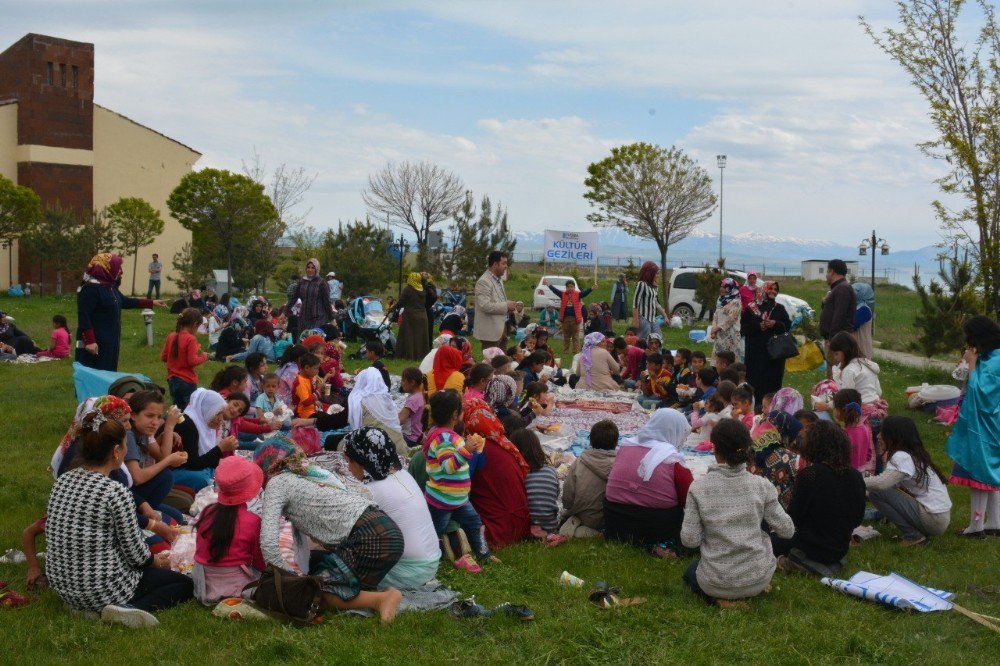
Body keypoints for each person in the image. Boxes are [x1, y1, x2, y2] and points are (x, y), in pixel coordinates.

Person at [45, 413, 193, 627]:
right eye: (125, 446)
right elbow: (135, 554)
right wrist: (156, 562)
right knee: (184, 585)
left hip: (63, 585)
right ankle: (127, 610)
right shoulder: (114, 491)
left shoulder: (64, 480)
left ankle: (83, 608)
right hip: (100, 587)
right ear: (116, 451)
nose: (126, 451)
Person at [255, 436, 404, 622]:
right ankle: (364, 593)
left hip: (370, 537)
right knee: (316, 565)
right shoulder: (312, 474)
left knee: (314, 593)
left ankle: (381, 599)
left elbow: (268, 542)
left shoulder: (277, 483)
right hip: (387, 531)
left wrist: (287, 581)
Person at [680, 419, 794, 607]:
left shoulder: (698, 488)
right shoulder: (761, 485)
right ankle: (749, 589)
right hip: (759, 577)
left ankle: (719, 600)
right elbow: (787, 530)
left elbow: (689, 541)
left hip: (715, 581)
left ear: (715, 448)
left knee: (691, 571)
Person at [344, 428, 441, 589]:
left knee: (338, 564)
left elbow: (346, 532)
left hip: (410, 573)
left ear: (362, 461)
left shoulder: (371, 491)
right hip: (431, 561)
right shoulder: (403, 474)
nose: (348, 468)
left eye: (349, 461)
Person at [771, 421, 865, 572]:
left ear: (814, 445)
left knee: (766, 538)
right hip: (839, 548)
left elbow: (794, 518)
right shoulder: (855, 475)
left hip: (810, 547)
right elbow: (857, 519)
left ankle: (795, 563)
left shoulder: (811, 474)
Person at [604, 409, 694, 557]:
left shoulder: (626, 446)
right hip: (654, 525)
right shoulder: (672, 458)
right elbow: (690, 499)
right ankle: (665, 548)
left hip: (615, 520)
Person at [422, 390, 493, 573]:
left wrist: (469, 448)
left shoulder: (446, 435)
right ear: (455, 414)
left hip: (457, 499)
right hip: (443, 499)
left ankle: (484, 555)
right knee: (434, 532)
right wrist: (466, 450)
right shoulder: (443, 438)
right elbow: (448, 466)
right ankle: (430, 562)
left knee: (475, 524)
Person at [946, 316, 1000, 538]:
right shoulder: (991, 356)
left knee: (980, 472)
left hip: (985, 426)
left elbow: (982, 393)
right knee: (992, 473)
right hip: (987, 424)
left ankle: (976, 527)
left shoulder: (994, 360)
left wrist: (972, 363)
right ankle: (995, 523)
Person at [869, 416, 953, 546]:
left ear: (894, 436)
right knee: (880, 490)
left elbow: (881, 484)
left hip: (934, 519)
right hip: (938, 518)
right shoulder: (911, 455)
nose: (879, 436)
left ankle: (913, 536)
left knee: (877, 492)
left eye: (883, 432)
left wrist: (855, 480)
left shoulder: (901, 457)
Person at [193, 456, 265, 604]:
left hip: (204, 586)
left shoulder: (208, 511)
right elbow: (259, 561)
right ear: (249, 489)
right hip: (239, 587)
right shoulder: (253, 520)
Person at [76, 254, 167, 371]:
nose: (120, 271)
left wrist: (151, 302)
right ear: (106, 267)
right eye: (117, 267)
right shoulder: (90, 289)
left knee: (108, 373)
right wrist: (90, 341)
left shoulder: (109, 286)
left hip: (110, 340)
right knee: (94, 375)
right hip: (95, 343)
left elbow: (124, 301)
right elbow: (84, 316)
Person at [172, 388, 239, 492]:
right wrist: (220, 448)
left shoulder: (204, 424)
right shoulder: (188, 425)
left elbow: (205, 458)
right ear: (206, 409)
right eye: (218, 413)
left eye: (222, 414)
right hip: (174, 470)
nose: (221, 419)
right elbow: (192, 463)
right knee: (203, 479)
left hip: (193, 466)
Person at [560, 420, 618, 538]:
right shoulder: (620, 465)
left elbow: (567, 496)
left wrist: (569, 508)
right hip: (608, 519)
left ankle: (579, 528)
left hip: (580, 515)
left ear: (590, 441)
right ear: (616, 442)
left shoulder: (579, 461)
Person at [511, 428, 565, 545]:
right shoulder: (550, 471)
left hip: (524, 527)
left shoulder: (517, 473)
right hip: (550, 526)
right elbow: (554, 495)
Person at [817, 332, 887, 422]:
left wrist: (827, 405)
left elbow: (846, 398)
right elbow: (879, 392)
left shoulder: (849, 371)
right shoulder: (868, 364)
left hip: (861, 415)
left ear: (845, 350)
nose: (835, 358)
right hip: (877, 413)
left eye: (836, 354)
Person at [740, 281, 791, 405]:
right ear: (763, 290)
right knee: (754, 381)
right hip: (755, 353)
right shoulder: (751, 308)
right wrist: (759, 326)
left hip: (774, 355)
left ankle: (772, 407)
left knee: (772, 382)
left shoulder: (779, 308)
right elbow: (743, 329)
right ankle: (755, 407)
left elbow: (787, 326)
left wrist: (775, 324)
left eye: (775, 289)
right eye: (770, 288)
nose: (773, 291)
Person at [348, 367, 406, 454]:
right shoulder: (387, 398)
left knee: (332, 441)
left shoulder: (358, 399)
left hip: (375, 449)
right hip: (398, 446)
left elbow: (342, 419)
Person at [161, 308, 208, 410]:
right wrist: (204, 356)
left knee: (177, 408)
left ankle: (174, 425)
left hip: (172, 380)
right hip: (186, 381)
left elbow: (164, 357)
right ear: (195, 324)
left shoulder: (171, 336)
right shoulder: (191, 339)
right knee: (188, 411)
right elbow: (192, 361)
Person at [819, 259, 857, 375]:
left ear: (832, 272)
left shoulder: (842, 289)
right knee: (832, 371)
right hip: (835, 338)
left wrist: (832, 339)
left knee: (835, 374)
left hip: (837, 340)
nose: (826, 275)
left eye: (827, 272)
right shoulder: (838, 288)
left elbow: (839, 316)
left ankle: (835, 393)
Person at [473, 250, 516, 349]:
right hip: (491, 332)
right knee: (492, 362)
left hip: (502, 327)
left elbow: (498, 301)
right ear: (495, 264)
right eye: (504, 263)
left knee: (501, 362)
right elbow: (485, 306)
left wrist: (508, 307)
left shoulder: (498, 279)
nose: (506, 266)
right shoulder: (483, 282)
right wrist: (506, 305)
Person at [285, 258, 333, 339]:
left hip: (318, 317)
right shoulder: (302, 282)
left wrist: (331, 318)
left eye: (313, 268)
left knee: (313, 342)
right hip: (303, 317)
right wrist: (284, 312)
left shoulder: (322, 282)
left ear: (317, 269)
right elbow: (294, 298)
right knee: (302, 340)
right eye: (308, 267)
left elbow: (327, 302)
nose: (310, 270)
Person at [832, 389, 875, 475]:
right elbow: (868, 454)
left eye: (834, 408)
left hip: (845, 475)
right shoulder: (864, 428)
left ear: (840, 411)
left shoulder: (843, 435)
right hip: (860, 473)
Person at [547, 279, 594, 354]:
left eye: (572, 286)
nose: (570, 288)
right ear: (566, 288)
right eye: (568, 286)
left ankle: (576, 351)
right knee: (566, 336)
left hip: (575, 319)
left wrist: (591, 289)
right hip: (565, 319)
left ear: (574, 287)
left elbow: (585, 293)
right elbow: (555, 290)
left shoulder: (578, 294)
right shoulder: (562, 294)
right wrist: (548, 285)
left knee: (575, 337)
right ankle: (565, 351)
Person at [393, 272, 430, 360]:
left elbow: (401, 302)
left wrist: (393, 308)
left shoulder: (408, 289)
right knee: (420, 338)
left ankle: (408, 356)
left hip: (410, 316)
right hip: (423, 316)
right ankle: (421, 356)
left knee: (409, 337)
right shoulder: (423, 289)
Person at [710, 277, 743, 361]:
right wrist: (713, 329)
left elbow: (731, 318)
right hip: (719, 336)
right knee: (718, 362)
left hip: (731, 336)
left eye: (725, 287)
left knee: (730, 363)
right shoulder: (720, 301)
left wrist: (717, 328)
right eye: (721, 286)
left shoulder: (736, 302)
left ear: (732, 288)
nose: (721, 288)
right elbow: (715, 315)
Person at [633, 261, 667, 339]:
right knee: (644, 339)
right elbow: (635, 303)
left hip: (653, 318)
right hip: (643, 318)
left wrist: (665, 316)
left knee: (658, 338)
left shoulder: (654, 286)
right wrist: (636, 320)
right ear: (649, 273)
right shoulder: (641, 284)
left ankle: (658, 352)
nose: (658, 276)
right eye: (656, 273)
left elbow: (656, 303)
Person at [399, 367, 427, 448]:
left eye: (404, 380)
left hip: (410, 438)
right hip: (418, 436)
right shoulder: (419, 396)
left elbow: (400, 420)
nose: (402, 383)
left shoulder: (413, 400)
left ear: (412, 382)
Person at [852, 280, 875, 358]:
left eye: (856, 292)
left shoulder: (864, 310)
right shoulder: (854, 307)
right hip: (853, 346)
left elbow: (852, 324)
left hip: (861, 347)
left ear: (862, 294)